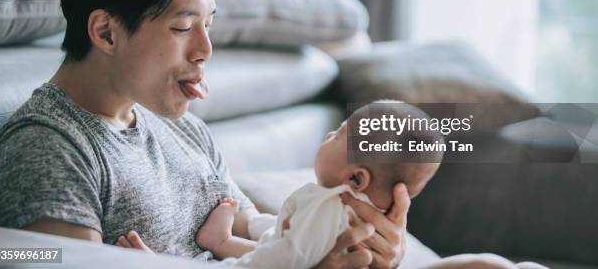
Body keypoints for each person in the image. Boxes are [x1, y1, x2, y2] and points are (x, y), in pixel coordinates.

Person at [0, 0, 408, 268]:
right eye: (183, 27)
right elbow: (32, 259)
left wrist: (362, 239)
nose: (206, 49)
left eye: (208, 26)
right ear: (106, 32)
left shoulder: (183, 127)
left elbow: (254, 227)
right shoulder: (49, 150)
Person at [117, 101, 442, 269]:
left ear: (356, 178)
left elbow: (283, 257)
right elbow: (62, 257)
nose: (328, 136)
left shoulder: (332, 210)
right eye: (182, 27)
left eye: (338, 134)